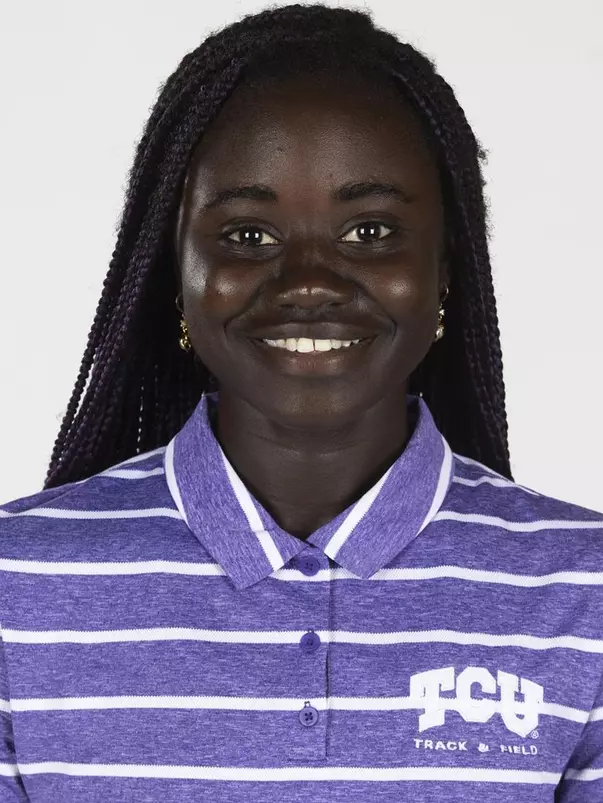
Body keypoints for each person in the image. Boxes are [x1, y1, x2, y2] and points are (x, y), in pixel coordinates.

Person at [1, 4, 601, 802]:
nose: (309, 281)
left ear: (444, 268)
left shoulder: (582, 590)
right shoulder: (18, 584)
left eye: (370, 231)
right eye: (248, 235)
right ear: (172, 270)